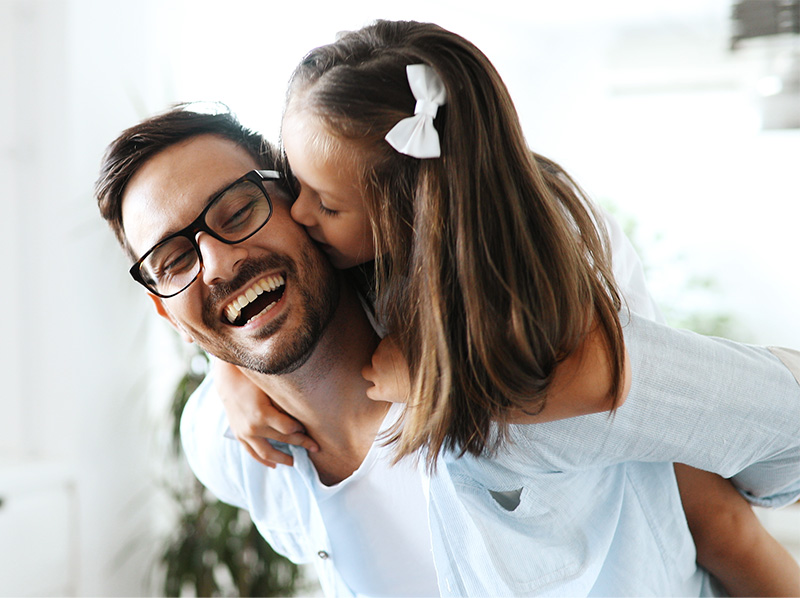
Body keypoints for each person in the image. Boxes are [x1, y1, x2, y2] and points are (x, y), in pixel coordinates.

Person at [212, 19, 800, 596]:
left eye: (329, 206)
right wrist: (229, 369)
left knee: (717, 522)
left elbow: (613, 394)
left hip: (650, 480)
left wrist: (439, 383)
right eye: (293, 180)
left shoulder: (549, 294)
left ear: (409, 215)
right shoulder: (369, 242)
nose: (299, 213)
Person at [95, 105, 777, 597]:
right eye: (175, 258)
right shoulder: (233, 452)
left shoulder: (515, 375)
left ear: (302, 206)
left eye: (237, 212)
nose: (216, 263)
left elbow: (733, 494)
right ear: (167, 315)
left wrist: (488, 382)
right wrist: (227, 367)